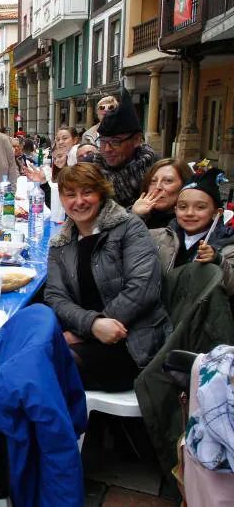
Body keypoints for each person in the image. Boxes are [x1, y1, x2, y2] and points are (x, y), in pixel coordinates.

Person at [44, 164, 172, 392]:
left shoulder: (129, 227)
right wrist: (91, 325)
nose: (79, 201)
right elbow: (55, 296)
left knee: (47, 368)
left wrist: (86, 331)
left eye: (87, 192)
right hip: (90, 334)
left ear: (101, 194)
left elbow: (143, 289)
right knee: (33, 361)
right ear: (61, 199)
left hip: (133, 342)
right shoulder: (60, 244)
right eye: (70, 194)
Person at [151, 168, 234, 295]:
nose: (189, 213)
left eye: (200, 207)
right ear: (175, 209)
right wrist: (137, 214)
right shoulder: (157, 237)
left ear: (217, 213)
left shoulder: (228, 246)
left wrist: (217, 260)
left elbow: (231, 286)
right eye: (183, 207)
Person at [84, 89, 156, 208]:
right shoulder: (89, 167)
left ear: (136, 140)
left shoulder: (154, 170)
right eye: (102, 141)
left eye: (115, 142)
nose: (107, 149)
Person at [131, 158, 194, 229]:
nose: (158, 187)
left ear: (184, 184)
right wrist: (135, 216)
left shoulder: (192, 220)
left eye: (168, 181)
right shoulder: (130, 214)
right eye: (153, 181)